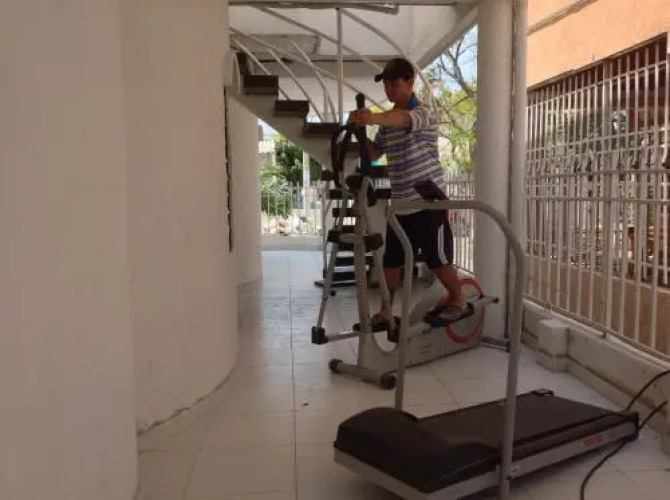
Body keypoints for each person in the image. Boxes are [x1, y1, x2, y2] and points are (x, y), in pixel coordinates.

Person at [348, 57, 468, 327]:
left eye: (395, 84)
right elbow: (375, 153)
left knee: (438, 260)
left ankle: (459, 300)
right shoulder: (387, 123)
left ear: (411, 83)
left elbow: (403, 120)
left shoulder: (424, 112)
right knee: (391, 261)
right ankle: (385, 311)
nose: (389, 90)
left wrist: (372, 116)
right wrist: (359, 131)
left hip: (429, 201)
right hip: (401, 203)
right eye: (386, 85)